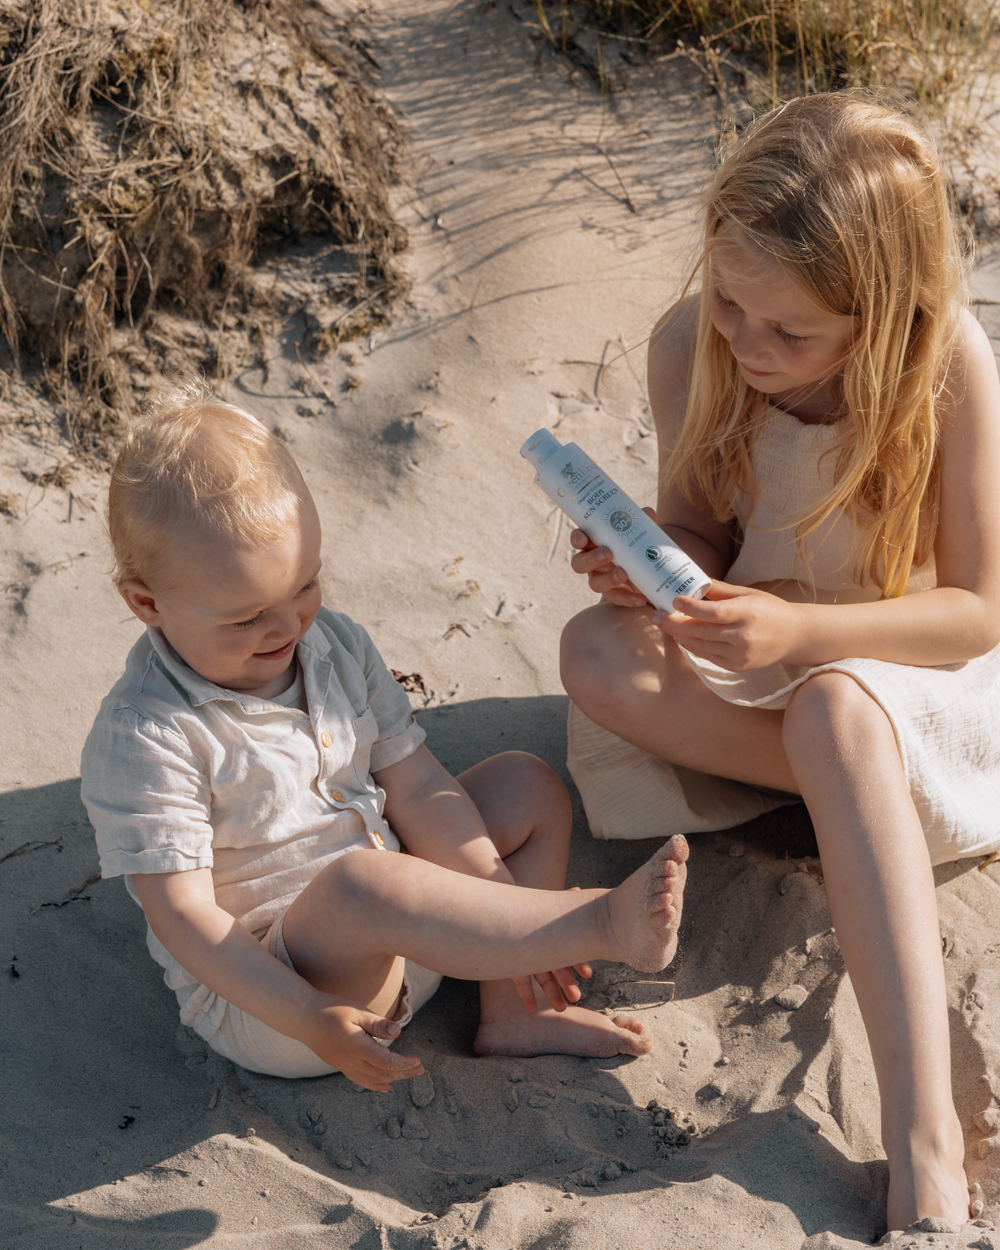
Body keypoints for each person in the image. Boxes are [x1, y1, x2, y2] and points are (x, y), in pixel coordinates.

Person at [559, 92, 1000, 1231]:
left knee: (839, 713)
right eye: (729, 302)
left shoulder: (947, 362)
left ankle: (922, 1136)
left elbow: (974, 614)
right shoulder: (691, 344)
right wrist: (648, 566)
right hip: (768, 664)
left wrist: (805, 636)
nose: (749, 345)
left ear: (883, 310)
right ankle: (844, 799)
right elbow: (703, 535)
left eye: (790, 334)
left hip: (912, 680)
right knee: (596, 653)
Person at [80, 382, 689, 1092]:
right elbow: (185, 919)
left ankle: (515, 1007)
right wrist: (307, 1015)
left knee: (523, 784)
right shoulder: (148, 734)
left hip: (408, 924)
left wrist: (502, 905)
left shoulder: (332, 644)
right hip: (286, 999)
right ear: (146, 602)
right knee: (362, 884)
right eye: (246, 618)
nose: (287, 627)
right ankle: (597, 922)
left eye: (305, 586)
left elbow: (417, 783)